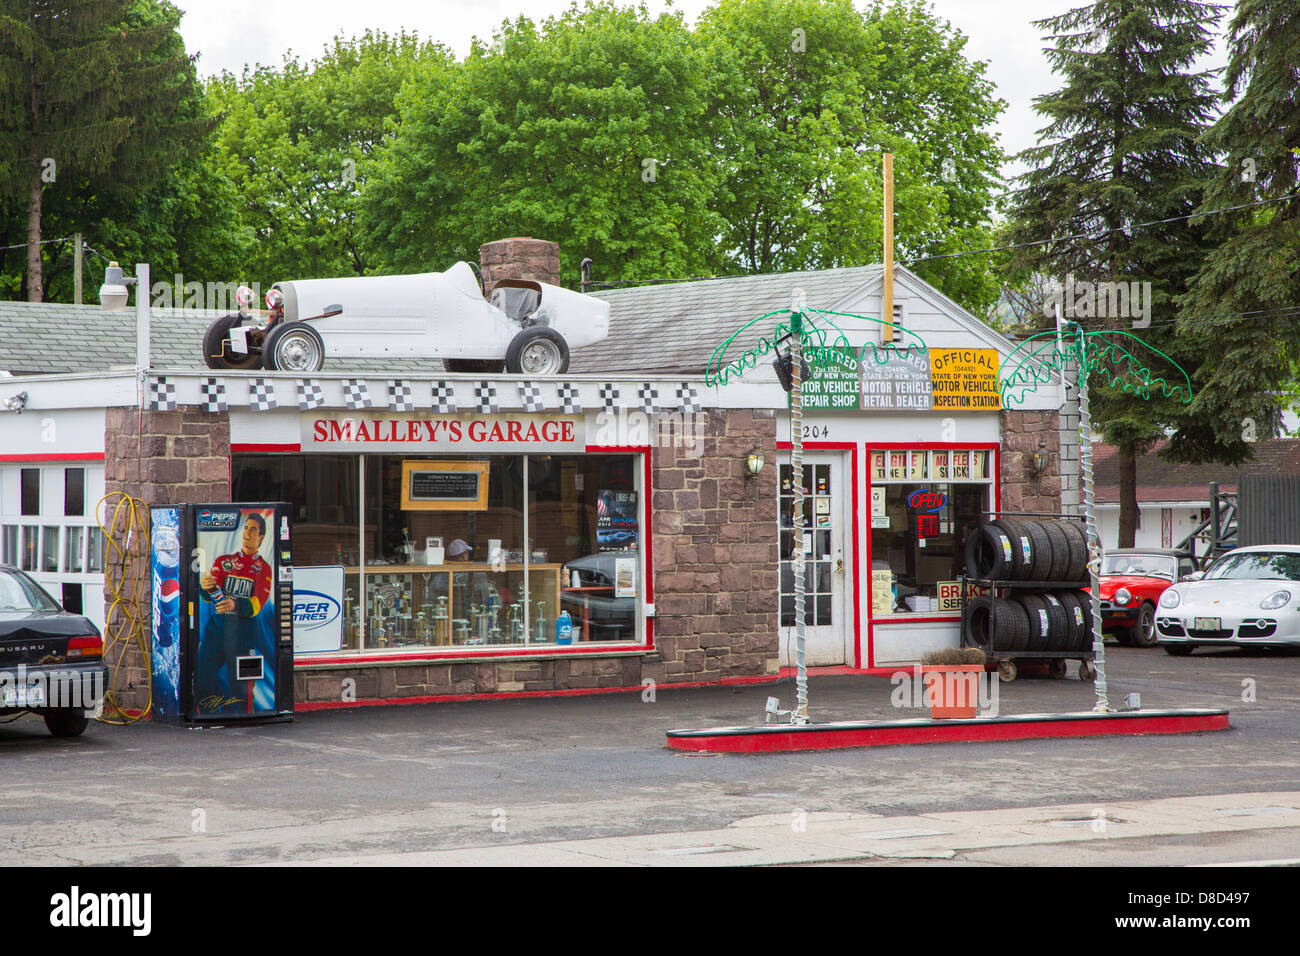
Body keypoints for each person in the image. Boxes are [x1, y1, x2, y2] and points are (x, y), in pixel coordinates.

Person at [198, 513, 274, 714]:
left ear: (261, 538)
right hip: (217, 627)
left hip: (243, 631)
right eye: (246, 528)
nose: (247, 533)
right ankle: (207, 715)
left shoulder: (263, 569)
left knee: (241, 685)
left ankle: (243, 719)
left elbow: (257, 604)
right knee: (201, 678)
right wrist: (205, 587)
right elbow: (209, 596)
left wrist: (234, 604)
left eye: (253, 529)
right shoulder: (224, 561)